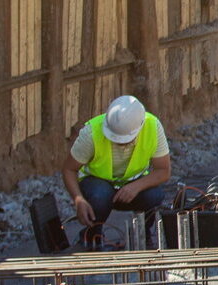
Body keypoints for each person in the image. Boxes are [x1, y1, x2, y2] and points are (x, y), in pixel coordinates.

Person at [64, 95, 173, 241]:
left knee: (154, 195)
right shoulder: (91, 132)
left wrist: (136, 187)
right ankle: (92, 233)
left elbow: (163, 171)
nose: (120, 144)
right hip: (98, 187)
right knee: (100, 194)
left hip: (134, 186)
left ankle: (142, 232)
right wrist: (78, 199)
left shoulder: (152, 126)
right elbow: (69, 169)